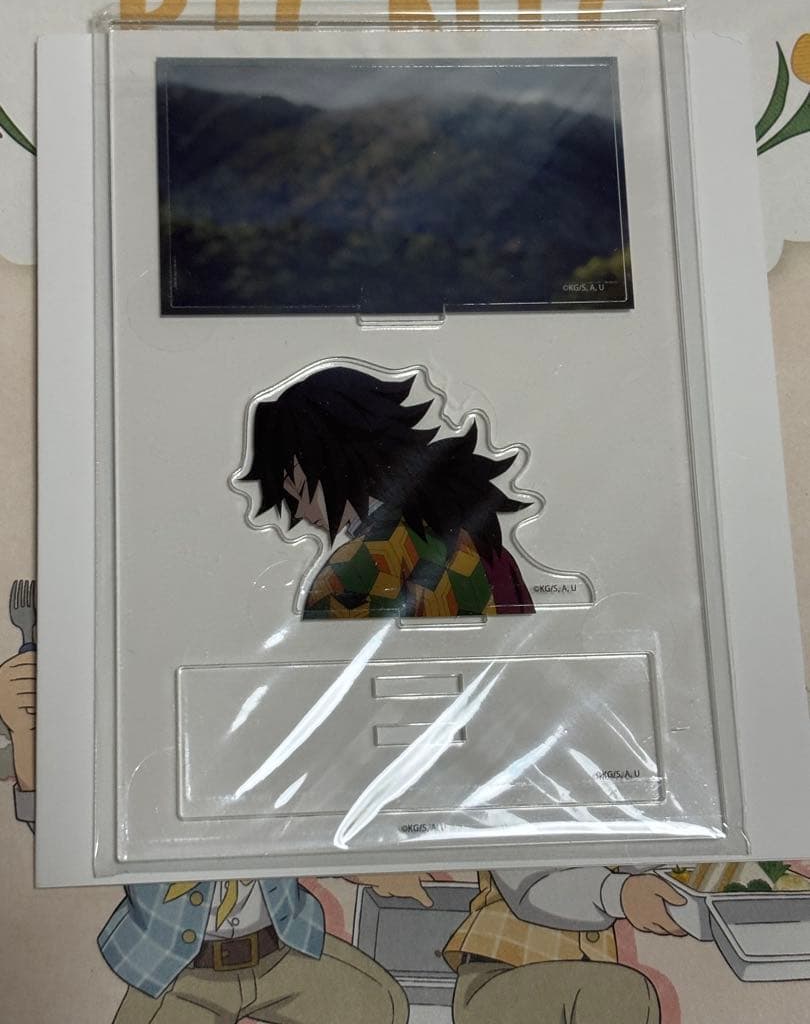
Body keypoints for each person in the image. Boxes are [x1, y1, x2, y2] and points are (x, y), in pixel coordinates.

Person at [0, 646, 416, 1023]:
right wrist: (25, 734)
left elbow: (321, 819)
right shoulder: (138, 766)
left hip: (283, 950)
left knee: (381, 1002)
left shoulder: (277, 750)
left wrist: (377, 859)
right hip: (178, 971)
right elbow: (64, 831)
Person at [241, 366, 534, 619]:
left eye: (295, 485)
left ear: (330, 462)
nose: (297, 508)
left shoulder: (354, 572)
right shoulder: (479, 541)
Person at [444, 868, 688, 1024]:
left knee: (620, 997)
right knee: (620, 993)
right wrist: (620, 893)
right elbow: (529, 888)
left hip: (583, 994)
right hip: (499, 981)